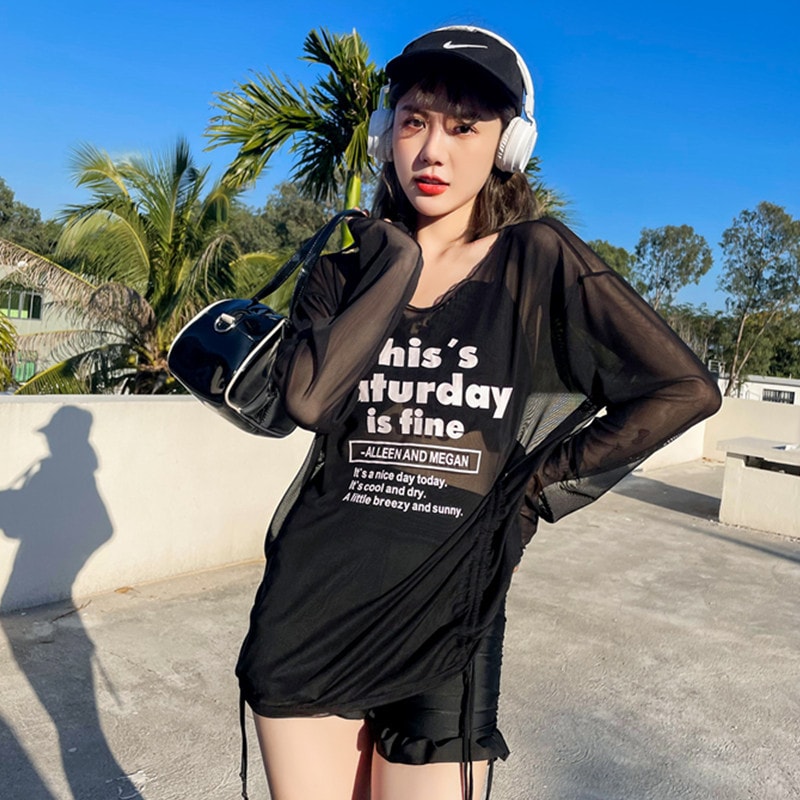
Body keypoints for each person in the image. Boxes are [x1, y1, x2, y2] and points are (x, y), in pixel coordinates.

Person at [235, 25, 721, 800]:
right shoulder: (343, 271)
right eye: (415, 121)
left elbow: (682, 389)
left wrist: (531, 488)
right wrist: (398, 257)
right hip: (313, 602)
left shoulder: (536, 259)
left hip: (449, 614)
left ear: (507, 144)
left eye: (464, 127)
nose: (433, 150)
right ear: (385, 134)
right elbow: (309, 400)